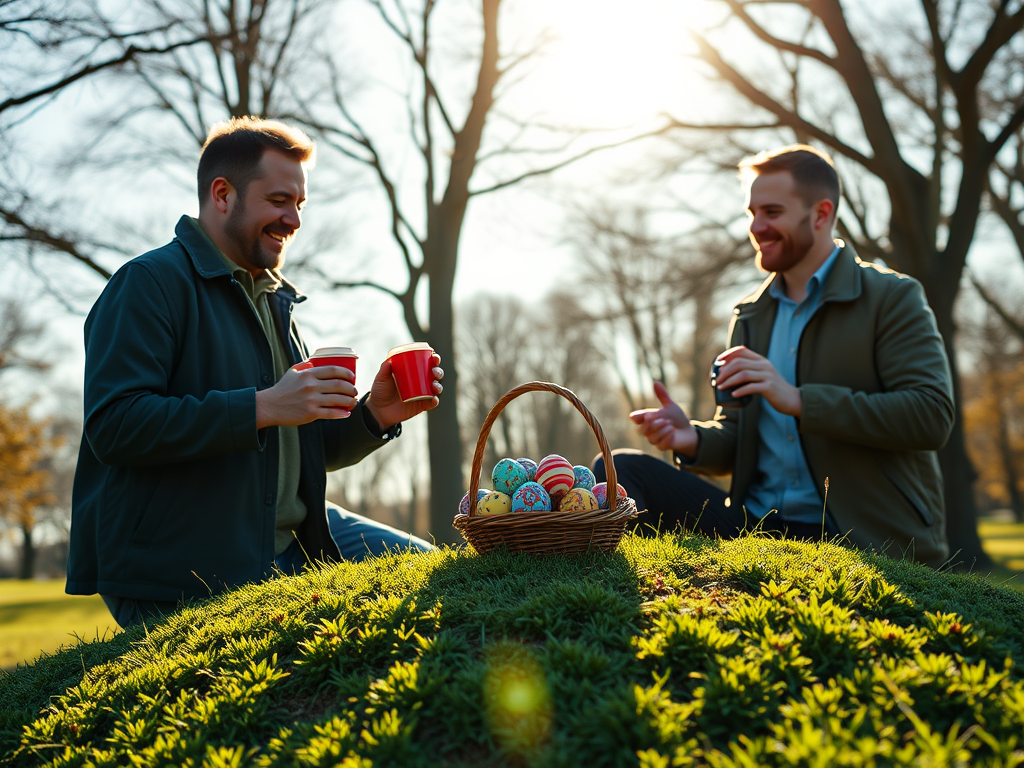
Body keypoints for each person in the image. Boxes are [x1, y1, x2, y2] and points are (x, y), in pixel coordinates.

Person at [66, 117, 442, 628]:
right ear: (222, 195)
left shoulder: (274, 300)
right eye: (279, 201)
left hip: (294, 539)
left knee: (435, 572)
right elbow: (114, 427)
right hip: (187, 564)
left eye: (299, 205)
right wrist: (263, 406)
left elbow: (300, 452)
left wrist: (374, 415)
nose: (294, 219)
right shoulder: (147, 285)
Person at [596, 145, 955, 568]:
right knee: (621, 470)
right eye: (752, 213)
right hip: (758, 528)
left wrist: (799, 400)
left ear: (821, 214)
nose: (757, 227)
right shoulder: (749, 316)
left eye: (772, 212)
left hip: (856, 536)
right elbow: (740, 434)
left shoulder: (892, 298)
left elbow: (931, 416)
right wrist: (691, 439)